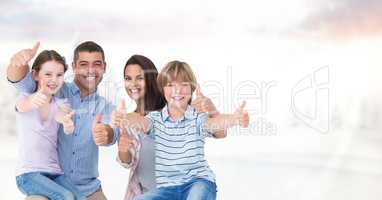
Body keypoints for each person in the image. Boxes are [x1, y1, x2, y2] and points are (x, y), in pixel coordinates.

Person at [118, 60, 249, 200]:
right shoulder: (156, 119)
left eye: (184, 85)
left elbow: (215, 124)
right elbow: (141, 121)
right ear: (162, 89)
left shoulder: (197, 118)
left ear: (192, 89)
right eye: (170, 85)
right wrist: (122, 117)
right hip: (168, 189)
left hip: (198, 182)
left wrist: (235, 118)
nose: (177, 90)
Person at [7, 41, 119, 200]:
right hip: (44, 184)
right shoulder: (54, 88)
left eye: (97, 64)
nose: (90, 70)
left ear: (104, 68)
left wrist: (105, 133)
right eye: (83, 64)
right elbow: (21, 82)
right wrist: (18, 63)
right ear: (73, 67)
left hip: (88, 189)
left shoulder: (107, 107)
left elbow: (113, 132)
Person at [14, 49, 85, 200]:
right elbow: (22, 106)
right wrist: (31, 102)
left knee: (80, 198)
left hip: (55, 173)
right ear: (35, 75)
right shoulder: (24, 98)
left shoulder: (60, 104)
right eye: (48, 74)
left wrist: (67, 124)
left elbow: (60, 116)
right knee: (66, 196)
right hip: (28, 174)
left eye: (59, 75)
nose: (54, 80)